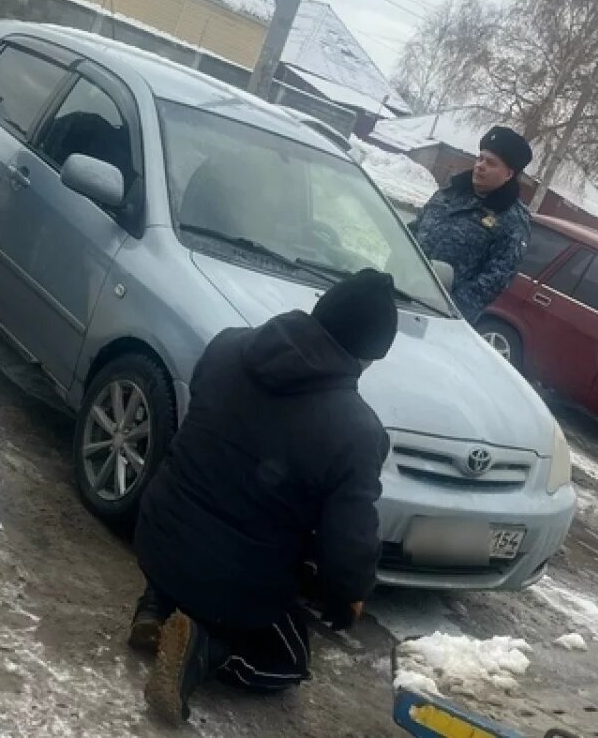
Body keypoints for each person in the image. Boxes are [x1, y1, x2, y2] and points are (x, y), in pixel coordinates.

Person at [132, 269, 398, 723]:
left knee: (212, 510)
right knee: (286, 663)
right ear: (366, 354)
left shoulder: (227, 344)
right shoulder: (357, 430)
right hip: (233, 579)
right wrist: (349, 595)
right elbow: (348, 540)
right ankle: (203, 649)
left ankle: (155, 605)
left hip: (157, 533)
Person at [411, 126, 534, 322]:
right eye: (480, 158)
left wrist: (448, 309)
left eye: (490, 163)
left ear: (509, 174)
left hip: (439, 314)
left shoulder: (513, 221)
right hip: (402, 287)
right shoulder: (450, 192)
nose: (480, 166)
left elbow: (495, 279)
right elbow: (415, 229)